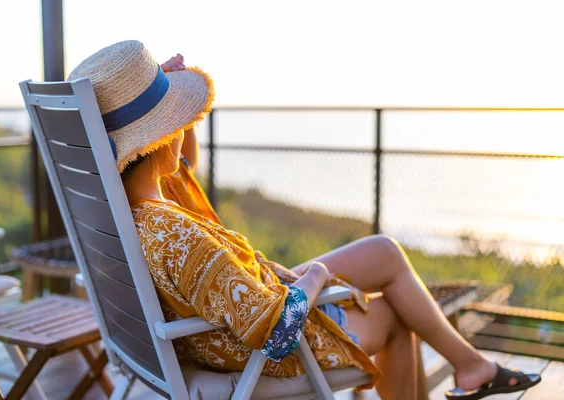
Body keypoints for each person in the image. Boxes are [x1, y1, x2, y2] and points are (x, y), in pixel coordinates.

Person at [68, 40, 541, 400]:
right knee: (396, 314)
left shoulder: (127, 207)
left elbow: (182, 161)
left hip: (218, 325)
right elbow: (275, 331)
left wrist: (171, 113)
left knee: (382, 253)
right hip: (264, 349)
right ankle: (472, 366)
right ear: (159, 138)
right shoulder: (176, 235)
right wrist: (314, 277)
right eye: (177, 122)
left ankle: (471, 365)